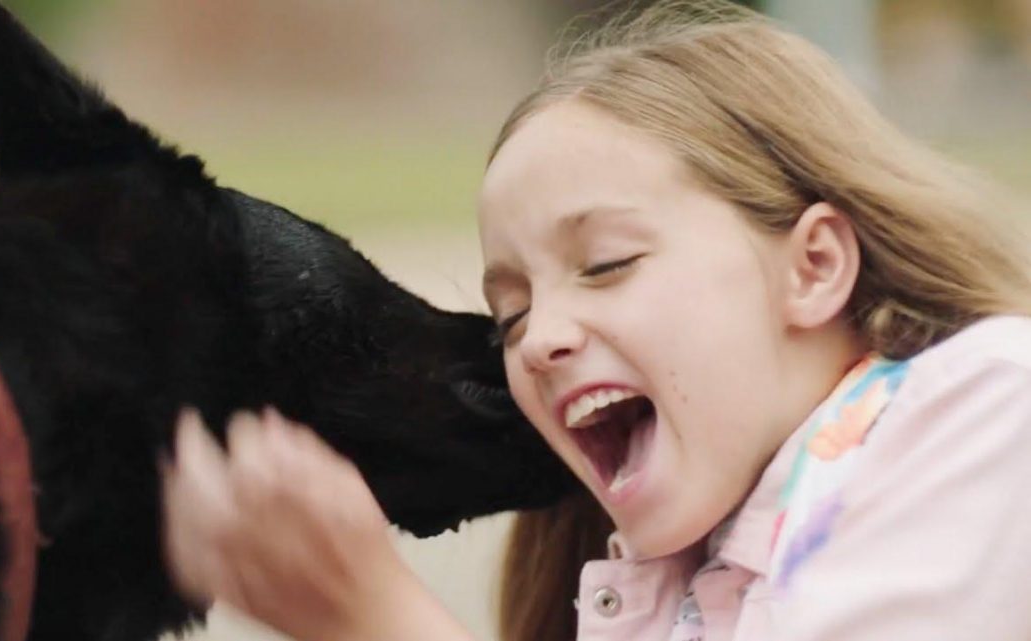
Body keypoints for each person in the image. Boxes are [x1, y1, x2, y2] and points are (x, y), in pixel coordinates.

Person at [161, 1, 1031, 639]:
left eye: (607, 263)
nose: (540, 339)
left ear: (814, 267)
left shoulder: (989, 406)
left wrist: (376, 616)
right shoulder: (653, 588)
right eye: (509, 315)